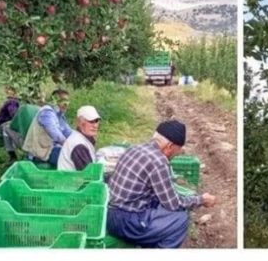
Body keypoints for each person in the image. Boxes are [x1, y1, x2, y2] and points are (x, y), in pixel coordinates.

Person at [106, 120, 216, 248]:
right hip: (125, 222)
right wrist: (201, 199)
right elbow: (173, 204)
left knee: (160, 206)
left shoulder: (135, 148)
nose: (176, 155)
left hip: (111, 213)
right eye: (177, 151)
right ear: (169, 146)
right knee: (180, 219)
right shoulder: (158, 161)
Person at [22, 89, 74, 167]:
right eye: (63, 101)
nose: (66, 104)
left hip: (51, 149)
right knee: (70, 157)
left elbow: (68, 132)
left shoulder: (59, 115)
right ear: (54, 101)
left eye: (67, 101)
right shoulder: (47, 112)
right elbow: (55, 133)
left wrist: (80, 140)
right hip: (41, 153)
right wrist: (70, 146)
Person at [57, 105, 102, 171]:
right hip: (71, 181)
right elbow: (89, 175)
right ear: (80, 123)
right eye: (91, 121)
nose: (95, 125)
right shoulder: (79, 145)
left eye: (96, 121)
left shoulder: (81, 137)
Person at [0, 86, 23, 164]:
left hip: (1, 123)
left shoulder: (10, 101)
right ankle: (12, 154)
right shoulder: (12, 102)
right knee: (8, 128)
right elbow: (14, 115)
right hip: (3, 124)